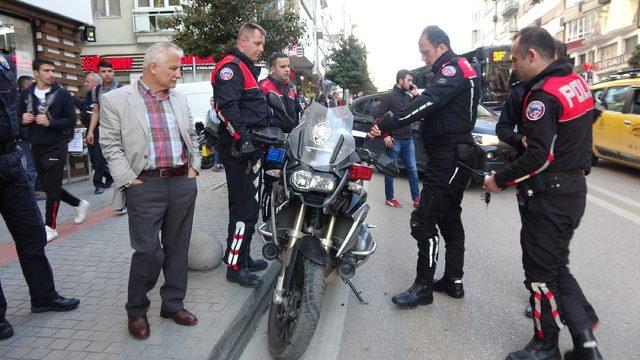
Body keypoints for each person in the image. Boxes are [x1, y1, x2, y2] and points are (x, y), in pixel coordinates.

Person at [483, 27, 602, 360]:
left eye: (516, 58)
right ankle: (586, 343)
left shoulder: (543, 94)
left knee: (539, 273)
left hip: (549, 194)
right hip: (573, 189)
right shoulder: (576, 83)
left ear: (532, 55)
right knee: (556, 267)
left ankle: (545, 343)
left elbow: (539, 156)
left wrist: (498, 180)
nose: (514, 66)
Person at [369, 26, 479, 309]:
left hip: (449, 157)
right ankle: (454, 281)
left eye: (425, 50)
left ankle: (423, 288)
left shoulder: (453, 70)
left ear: (441, 47)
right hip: (453, 155)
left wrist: (389, 122)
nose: (423, 56)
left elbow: (427, 104)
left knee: (423, 219)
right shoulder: (455, 69)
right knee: (450, 219)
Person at [99, 42, 201, 339]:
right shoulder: (116, 100)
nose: (179, 74)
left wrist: (193, 168)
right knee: (147, 252)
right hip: (144, 184)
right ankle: (137, 310)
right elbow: (110, 144)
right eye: (174, 68)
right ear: (153, 68)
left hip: (181, 182)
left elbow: (192, 135)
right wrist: (129, 180)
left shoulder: (179, 100)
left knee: (177, 248)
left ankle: (172, 304)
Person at [1, 49, 80, 341]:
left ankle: (43, 296)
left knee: (33, 234)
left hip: (11, 159)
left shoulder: (4, 61)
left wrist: (21, 123)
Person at [211, 22, 270, 288]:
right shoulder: (231, 68)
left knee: (248, 209)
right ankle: (235, 266)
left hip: (249, 148)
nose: (261, 49)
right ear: (243, 41)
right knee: (243, 210)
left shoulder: (244, 68)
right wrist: (243, 139)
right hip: (239, 150)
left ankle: (242, 257)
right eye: (257, 44)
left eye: (262, 45)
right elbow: (226, 108)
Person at [17, 58, 90, 242]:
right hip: (36, 145)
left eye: (52, 70)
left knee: (51, 187)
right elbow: (15, 117)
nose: (51, 74)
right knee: (49, 185)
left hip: (57, 145)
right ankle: (79, 203)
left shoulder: (62, 94)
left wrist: (51, 122)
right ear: (36, 72)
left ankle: (50, 225)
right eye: (46, 70)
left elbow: (71, 121)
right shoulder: (26, 95)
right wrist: (22, 119)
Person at [375, 69, 420, 208]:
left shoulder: (408, 97)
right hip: (394, 139)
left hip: (408, 139)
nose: (411, 83)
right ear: (400, 80)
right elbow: (378, 119)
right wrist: (385, 136)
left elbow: (417, 113)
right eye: (409, 80)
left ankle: (417, 198)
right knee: (391, 169)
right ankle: (390, 198)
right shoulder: (389, 97)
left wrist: (416, 97)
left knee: (412, 169)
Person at [80, 72, 114, 194]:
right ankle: (109, 176)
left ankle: (98, 184)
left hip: (101, 131)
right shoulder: (87, 96)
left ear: (95, 83)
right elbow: (84, 110)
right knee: (95, 160)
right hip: (90, 131)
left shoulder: (102, 96)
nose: (85, 84)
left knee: (99, 158)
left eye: (88, 81)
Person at [258, 52, 302, 133]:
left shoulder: (291, 88)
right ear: (273, 69)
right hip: (272, 138)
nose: (287, 69)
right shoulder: (263, 86)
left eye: (288, 66)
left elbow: (297, 111)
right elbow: (260, 117)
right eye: (283, 67)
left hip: (291, 137)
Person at [205, 96, 223, 171]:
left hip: (219, 132)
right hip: (212, 133)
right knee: (215, 147)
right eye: (211, 101)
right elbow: (207, 122)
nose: (212, 102)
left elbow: (220, 121)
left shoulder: (219, 110)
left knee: (218, 148)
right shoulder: (209, 111)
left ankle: (218, 164)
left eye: (213, 101)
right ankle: (217, 164)